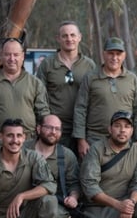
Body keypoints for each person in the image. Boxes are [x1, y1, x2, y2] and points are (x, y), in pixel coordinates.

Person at [78, 111, 137, 218]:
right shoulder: (96, 149)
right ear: (110, 129)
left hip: (125, 203)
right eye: (117, 126)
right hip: (100, 205)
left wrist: (129, 204)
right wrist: (118, 205)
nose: (122, 130)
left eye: (127, 127)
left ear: (132, 131)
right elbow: (90, 186)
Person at [0, 37, 49, 158]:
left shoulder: (35, 84)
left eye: (16, 55)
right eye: (7, 54)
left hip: (28, 144)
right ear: (1, 55)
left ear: (23, 56)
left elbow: (43, 115)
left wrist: (41, 142)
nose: (12, 59)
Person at [73, 37, 137, 158]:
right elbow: (80, 109)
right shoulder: (91, 78)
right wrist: (81, 140)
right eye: (111, 53)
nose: (114, 58)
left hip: (124, 140)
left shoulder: (132, 79)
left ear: (124, 55)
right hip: (95, 139)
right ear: (104, 54)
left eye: (118, 54)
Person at [34, 21, 97, 149]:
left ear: (79, 37)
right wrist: (45, 122)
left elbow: (95, 97)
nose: (69, 39)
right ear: (58, 38)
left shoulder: (89, 65)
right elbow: (39, 96)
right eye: (65, 36)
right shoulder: (47, 64)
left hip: (82, 129)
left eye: (73, 35)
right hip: (54, 129)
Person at [29, 114, 81, 218]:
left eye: (57, 129)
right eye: (49, 127)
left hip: (54, 203)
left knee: (57, 215)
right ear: (38, 129)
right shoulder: (24, 150)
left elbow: (74, 184)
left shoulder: (67, 155)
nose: (53, 132)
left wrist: (73, 197)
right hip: (26, 202)